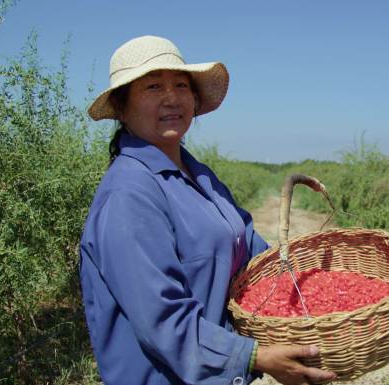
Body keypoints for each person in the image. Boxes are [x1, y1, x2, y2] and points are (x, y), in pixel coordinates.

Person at [79, 35, 337, 385]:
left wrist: (316, 279)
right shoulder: (129, 194)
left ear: (195, 99)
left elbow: (251, 252)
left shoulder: (200, 175)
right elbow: (164, 322)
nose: (171, 97)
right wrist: (255, 356)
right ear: (122, 109)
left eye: (181, 85)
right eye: (153, 87)